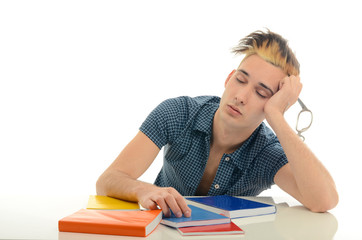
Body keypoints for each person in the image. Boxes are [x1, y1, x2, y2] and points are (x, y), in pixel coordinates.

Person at [96, 29, 338, 218]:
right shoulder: (178, 112)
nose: (241, 96)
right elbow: (107, 180)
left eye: (262, 94)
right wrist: (143, 189)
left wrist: (277, 116)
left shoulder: (266, 152)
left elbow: (324, 200)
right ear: (229, 78)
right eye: (241, 80)